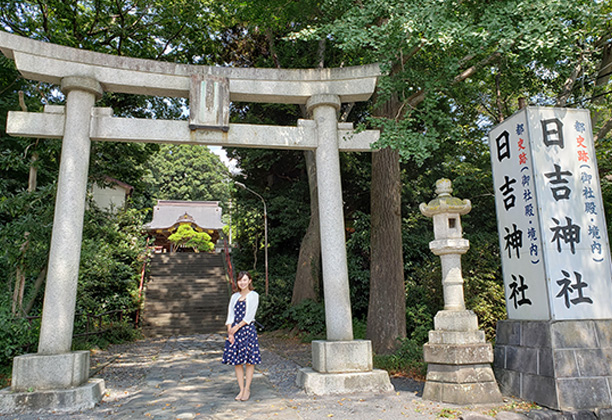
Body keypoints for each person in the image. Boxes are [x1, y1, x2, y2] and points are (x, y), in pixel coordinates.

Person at [221, 271, 261, 401]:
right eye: (240, 280)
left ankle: (247, 388)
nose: (242, 283)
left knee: (249, 362)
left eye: (245, 280)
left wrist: (236, 328)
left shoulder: (253, 295)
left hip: (247, 330)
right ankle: (241, 389)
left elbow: (249, 316)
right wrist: (230, 332)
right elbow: (230, 315)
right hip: (234, 332)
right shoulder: (234, 297)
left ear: (249, 281)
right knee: (237, 362)